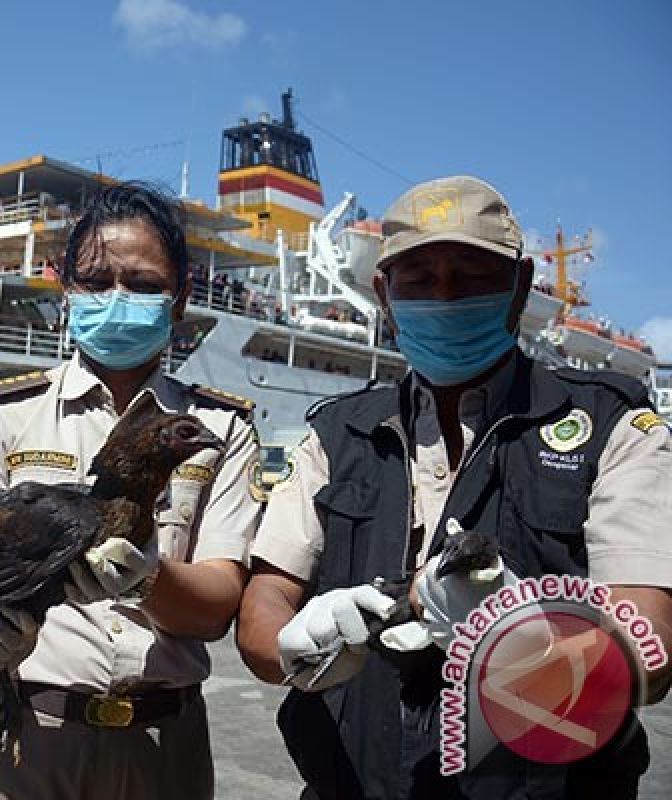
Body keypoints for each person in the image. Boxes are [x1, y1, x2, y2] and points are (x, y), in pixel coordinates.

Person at [237, 176, 672, 799]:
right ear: (384, 294)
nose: (444, 296)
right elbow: (265, 600)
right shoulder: (336, 434)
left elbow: (652, 651)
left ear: (520, 287)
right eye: (419, 278)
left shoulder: (612, 428)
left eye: (472, 275)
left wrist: (522, 632)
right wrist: (297, 641)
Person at [0, 182, 262, 799]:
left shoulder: (220, 430)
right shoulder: (3, 415)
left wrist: (144, 576)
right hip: (22, 735)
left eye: (142, 285)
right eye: (94, 280)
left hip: (162, 744)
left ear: (181, 299)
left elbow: (219, 602)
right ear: (66, 290)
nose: (117, 298)